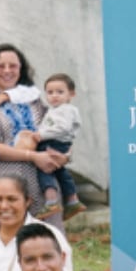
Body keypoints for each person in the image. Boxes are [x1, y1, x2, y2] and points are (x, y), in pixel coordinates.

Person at [0, 44, 65, 226]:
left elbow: (56, 130)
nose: (7, 71)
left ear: (21, 70)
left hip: (42, 182)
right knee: (5, 241)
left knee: (45, 239)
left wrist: (62, 155)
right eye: (0, 66)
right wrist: (33, 156)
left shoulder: (36, 99)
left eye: (13, 66)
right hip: (2, 183)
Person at [31, 74, 85, 217]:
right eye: (50, 92)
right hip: (58, 143)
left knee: (45, 170)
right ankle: (72, 200)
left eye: (60, 92)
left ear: (71, 94)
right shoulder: (55, 110)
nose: (54, 96)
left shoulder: (66, 110)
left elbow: (63, 128)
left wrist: (41, 135)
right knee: (61, 172)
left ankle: (51, 201)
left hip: (54, 143)